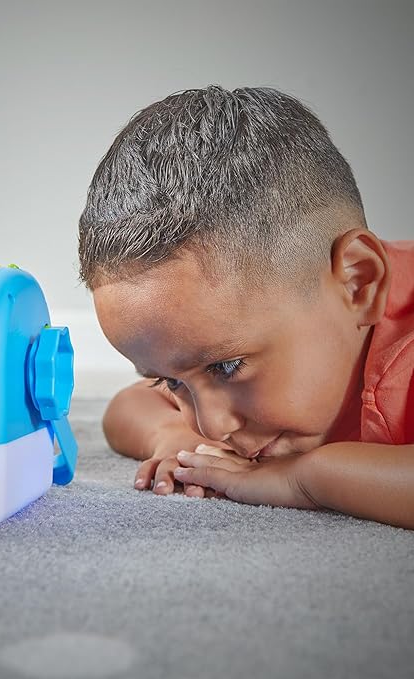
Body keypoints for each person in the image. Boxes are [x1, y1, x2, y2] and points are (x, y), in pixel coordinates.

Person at [77, 85, 414, 529]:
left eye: (228, 367)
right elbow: (128, 406)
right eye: (171, 381)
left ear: (359, 284)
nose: (212, 428)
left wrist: (304, 479)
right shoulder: (216, 346)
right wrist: (172, 437)